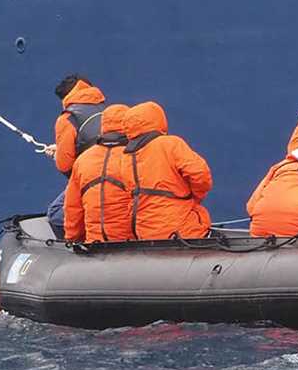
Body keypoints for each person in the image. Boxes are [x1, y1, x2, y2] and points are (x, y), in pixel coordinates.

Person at [122, 101, 213, 240]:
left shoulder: (126, 156)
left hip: (144, 232)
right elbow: (200, 174)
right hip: (181, 229)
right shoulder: (170, 144)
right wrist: (196, 197)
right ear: (159, 120)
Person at [46, 74, 111, 231]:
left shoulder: (67, 118)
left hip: (93, 177)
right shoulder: (108, 110)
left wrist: (57, 154)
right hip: (121, 174)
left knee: (56, 214)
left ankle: (79, 246)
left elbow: (65, 165)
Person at [62, 104, 134, 243]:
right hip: (132, 246)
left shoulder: (83, 159)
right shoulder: (136, 157)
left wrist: (72, 240)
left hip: (95, 245)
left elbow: (72, 207)